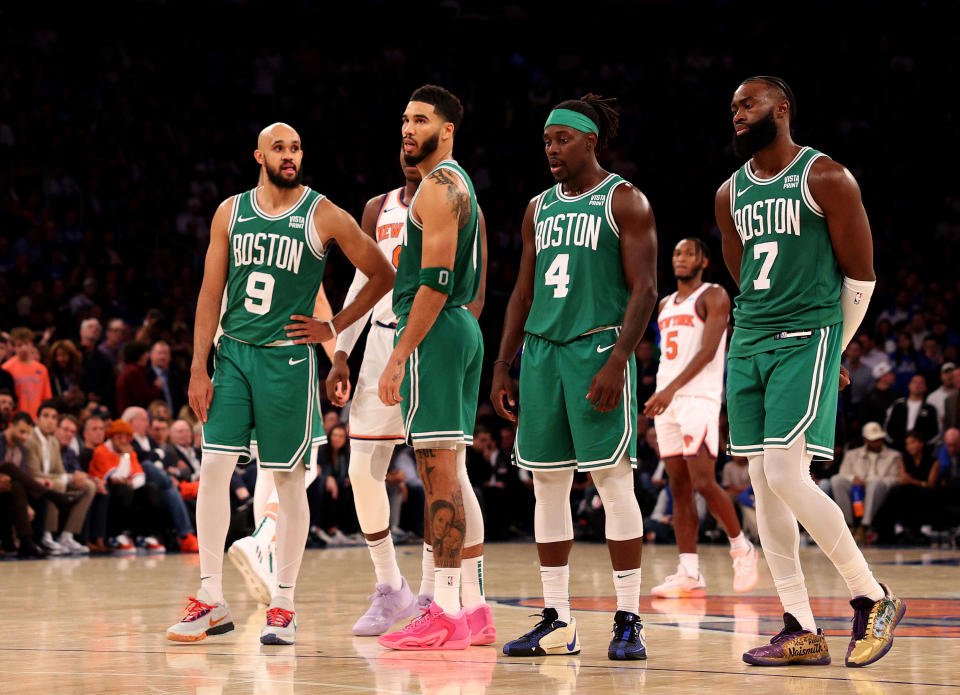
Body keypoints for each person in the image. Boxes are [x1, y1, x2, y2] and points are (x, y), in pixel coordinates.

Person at [166, 122, 394, 646]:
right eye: (279, 148)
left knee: (289, 481)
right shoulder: (230, 211)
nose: (289, 156)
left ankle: (284, 604)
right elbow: (208, 293)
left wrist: (334, 328)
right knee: (214, 468)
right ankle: (210, 597)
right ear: (259, 156)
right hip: (235, 357)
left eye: (295, 148)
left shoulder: (322, 212)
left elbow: (382, 273)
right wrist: (198, 366)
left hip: (288, 363)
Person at [715, 76, 903, 667]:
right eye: (733, 108)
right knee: (762, 481)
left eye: (749, 103)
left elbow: (862, 277)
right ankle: (798, 623)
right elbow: (744, 272)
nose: (738, 113)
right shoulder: (729, 193)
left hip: (808, 335)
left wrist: (835, 348)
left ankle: (871, 596)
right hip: (750, 339)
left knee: (789, 475)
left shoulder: (825, 177)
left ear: (782, 108)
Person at [491, 94, 657, 660]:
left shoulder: (625, 201)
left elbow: (645, 290)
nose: (552, 150)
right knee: (548, 484)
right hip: (540, 354)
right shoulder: (538, 207)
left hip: (595, 349)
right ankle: (558, 620)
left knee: (613, 481)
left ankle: (629, 618)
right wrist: (503, 363)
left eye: (562, 140)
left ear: (590, 141)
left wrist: (619, 360)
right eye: (546, 142)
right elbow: (522, 291)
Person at [329, 147, 490, 638]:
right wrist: (341, 351)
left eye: (418, 128)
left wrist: (445, 352)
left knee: (446, 471)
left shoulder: (460, 200)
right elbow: (365, 278)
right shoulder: (378, 208)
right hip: (381, 340)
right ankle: (390, 586)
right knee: (362, 469)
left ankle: (433, 593)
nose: (406, 144)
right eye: (402, 131)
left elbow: (474, 287)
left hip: (428, 339)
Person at [376, 86, 488, 652]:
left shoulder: (436, 190)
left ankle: (442, 609)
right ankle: (475, 609)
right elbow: (478, 276)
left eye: (419, 119)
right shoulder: (462, 186)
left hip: (434, 331)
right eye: (404, 118)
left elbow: (436, 282)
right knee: (456, 472)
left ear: (446, 129)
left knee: (438, 474)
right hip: (459, 330)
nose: (407, 128)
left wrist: (399, 354)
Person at [644, 238, 758, 598]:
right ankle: (689, 572)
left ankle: (742, 548)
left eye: (690, 253)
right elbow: (669, 356)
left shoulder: (714, 295)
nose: (682, 259)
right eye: (676, 253)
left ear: (704, 260)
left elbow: (709, 351)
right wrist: (661, 392)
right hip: (668, 401)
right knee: (678, 487)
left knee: (704, 481)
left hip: (699, 398)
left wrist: (669, 390)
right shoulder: (663, 304)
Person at [23, 399, 96, 554]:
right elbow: (33, 473)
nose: (50, 421)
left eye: (54, 417)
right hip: (33, 484)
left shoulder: (53, 442)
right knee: (59, 484)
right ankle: (47, 535)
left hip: (51, 483)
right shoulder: (30, 440)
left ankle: (67, 535)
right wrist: (67, 478)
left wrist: (75, 477)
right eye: (46, 416)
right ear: (37, 419)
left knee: (89, 486)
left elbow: (60, 471)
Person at [830, 422, 902, 545]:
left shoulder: (894, 456)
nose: (877, 442)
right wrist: (854, 478)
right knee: (836, 480)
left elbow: (895, 478)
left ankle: (864, 526)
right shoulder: (852, 454)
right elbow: (843, 473)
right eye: (873, 440)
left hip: (879, 490)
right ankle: (848, 525)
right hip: (856, 489)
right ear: (865, 439)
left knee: (875, 482)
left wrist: (872, 482)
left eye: (879, 439)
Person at [2, 327, 53, 420]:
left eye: (26, 344)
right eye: (19, 345)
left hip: (37, 418)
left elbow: (46, 398)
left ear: (32, 344)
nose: (24, 348)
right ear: (13, 347)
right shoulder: (6, 368)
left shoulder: (42, 369)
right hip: (14, 419)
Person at [884, 374, 938, 450]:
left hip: (921, 451)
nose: (917, 385)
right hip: (897, 448)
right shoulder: (898, 405)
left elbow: (935, 432)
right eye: (915, 382)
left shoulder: (930, 408)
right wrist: (895, 443)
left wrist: (922, 445)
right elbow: (887, 428)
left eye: (921, 383)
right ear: (909, 385)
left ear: (926, 387)